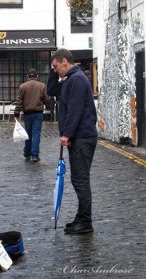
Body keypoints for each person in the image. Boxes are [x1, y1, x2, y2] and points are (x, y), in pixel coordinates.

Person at [50, 49, 97, 234]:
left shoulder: (76, 79)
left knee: (80, 180)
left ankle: (85, 221)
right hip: (80, 137)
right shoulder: (70, 79)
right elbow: (51, 90)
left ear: (64, 61)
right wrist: (54, 73)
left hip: (82, 138)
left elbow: (75, 110)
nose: (54, 70)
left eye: (55, 66)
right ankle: (81, 217)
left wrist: (66, 134)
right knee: (79, 179)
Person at [14, 68, 50, 162]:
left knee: (28, 134)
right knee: (36, 134)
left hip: (27, 114)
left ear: (27, 76)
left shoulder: (23, 86)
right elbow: (47, 99)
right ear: (37, 76)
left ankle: (27, 153)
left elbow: (19, 101)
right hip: (38, 113)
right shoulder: (42, 86)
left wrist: (16, 113)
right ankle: (35, 155)